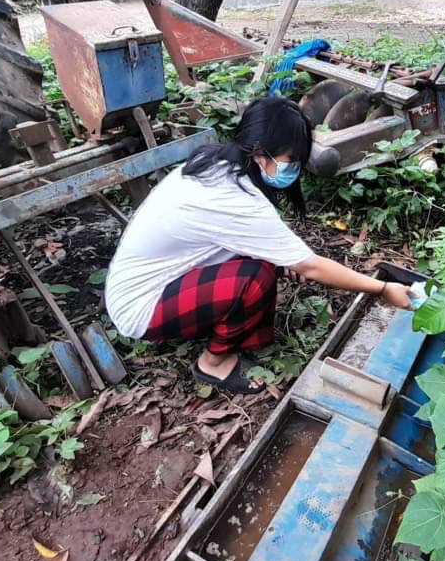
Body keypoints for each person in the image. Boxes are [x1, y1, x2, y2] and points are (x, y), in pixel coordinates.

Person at [105, 97, 417, 394]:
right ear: (258, 153)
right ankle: (212, 363)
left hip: (160, 278)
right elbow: (310, 265)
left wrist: (284, 261)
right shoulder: (232, 199)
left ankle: (233, 329)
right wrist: (381, 289)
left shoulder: (219, 166)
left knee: (269, 264)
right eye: (289, 160)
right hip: (142, 307)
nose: (293, 169)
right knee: (255, 278)